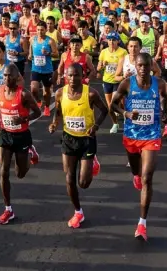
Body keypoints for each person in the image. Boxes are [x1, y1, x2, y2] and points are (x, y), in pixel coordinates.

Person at [110, 53, 167, 241]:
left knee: (147, 178)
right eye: (140, 66)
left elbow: (166, 97)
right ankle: (135, 175)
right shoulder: (127, 84)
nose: (143, 69)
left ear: (151, 66)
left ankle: (142, 224)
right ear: (135, 66)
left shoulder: (158, 83)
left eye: (146, 65)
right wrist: (126, 113)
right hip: (131, 136)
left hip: (152, 135)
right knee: (137, 172)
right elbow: (113, 105)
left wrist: (166, 114)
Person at [49, 63, 108, 228]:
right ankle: (78, 212)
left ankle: (92, 161)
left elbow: (105, 110)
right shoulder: (60, 93)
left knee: (83, 183)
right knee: (69, 179)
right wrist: (54, 123)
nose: (73, 78)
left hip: (87, 140)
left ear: (82, 76)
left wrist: (96, 127)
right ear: (66, 77)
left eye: (76, 75)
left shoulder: (90, 93)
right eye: (70, 75)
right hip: (68, 139)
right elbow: (58, 111)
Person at [0, 63, 42, 225]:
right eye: (4, 76)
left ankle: (30, 152)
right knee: (3, 172)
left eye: (9, 76)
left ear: (17, 78)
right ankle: (8, 209)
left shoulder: (24, 95)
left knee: (20, 173)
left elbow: (38, 112)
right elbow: (0, 105)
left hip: (21, 136)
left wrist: (24, 119)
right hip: (5, 135)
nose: (6, 79)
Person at [97, 32, 126, 133]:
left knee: (114, 102)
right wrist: (102, 66)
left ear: (118, 41)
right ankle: (115, 123)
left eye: (114, 39)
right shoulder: (104, 52)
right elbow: (98, 68)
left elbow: (126, 66)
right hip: (107, 81)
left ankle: (125, 116)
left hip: (118, 81)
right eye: (109, 39)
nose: (111, 42)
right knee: (110, 106)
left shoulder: (123, 52)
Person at [28, 21, 58, 117]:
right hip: (35, 69)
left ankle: (47, 107)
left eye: (42, 30)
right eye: (38, 30)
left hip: (47, 70)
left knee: (47, 92)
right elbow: (30, 50)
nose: (40, 32)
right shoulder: (32, 39)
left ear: (45, 30)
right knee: (33, 89)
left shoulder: (50, 41)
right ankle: (39, 101)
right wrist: (29, 55)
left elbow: (56, 54)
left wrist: (48, 53)